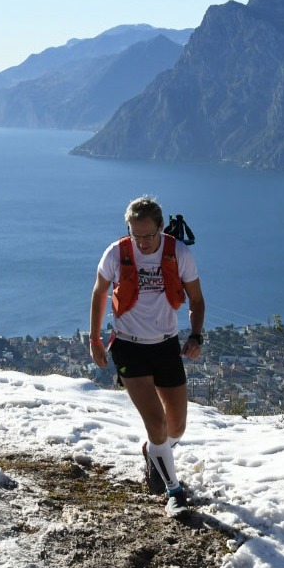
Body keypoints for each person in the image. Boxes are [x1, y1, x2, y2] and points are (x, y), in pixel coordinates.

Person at [89, 196, 206, 517]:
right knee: (156, 423)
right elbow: (99, 292)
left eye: (149, 236)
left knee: (176, 428)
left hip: (166, 345)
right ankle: (174, 492)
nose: (141, 243)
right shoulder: (116, 253)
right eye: (135, 235)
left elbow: (196, 298)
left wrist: (195, 335)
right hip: (128, 345)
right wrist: (95, 338)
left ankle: (154, 452)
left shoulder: (179, 253)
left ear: (161, 227)